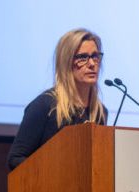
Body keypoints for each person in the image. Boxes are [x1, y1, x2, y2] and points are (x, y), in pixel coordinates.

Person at [7, 28, 108, 171]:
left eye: (95, 56)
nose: (92, 63)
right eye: (83, 57)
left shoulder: (100, 112)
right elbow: (15, 158)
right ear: (66, 62)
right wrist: (52, 173)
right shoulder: (45, 106)